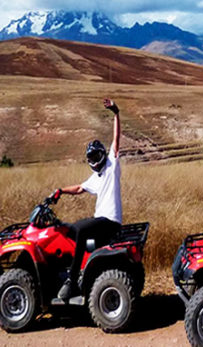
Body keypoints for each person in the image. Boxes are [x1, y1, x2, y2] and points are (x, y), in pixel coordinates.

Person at [48, 98, 122, 301]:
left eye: (96, 155)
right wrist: (60, 190)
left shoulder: (111, 166)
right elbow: (80, 188)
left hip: (110, 221)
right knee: (68, 229)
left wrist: (116, 113)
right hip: (102, 221)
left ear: (102, 155)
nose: (94, 160)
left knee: (80, 229)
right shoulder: (96, 177)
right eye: (90, 157)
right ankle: (75, 272)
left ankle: (72, 282)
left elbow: (116, 140)